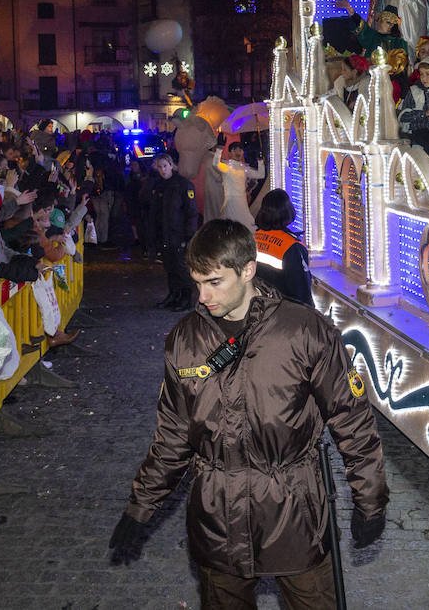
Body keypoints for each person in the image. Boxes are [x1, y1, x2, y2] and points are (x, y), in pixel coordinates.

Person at [109, 220, 389, 608]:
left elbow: (352, 422)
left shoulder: (305, 331)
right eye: (197, 283)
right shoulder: (185, 340)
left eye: (214, 282)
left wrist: (370, 501)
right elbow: (173, 437)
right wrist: (140, 508)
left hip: (294, 514)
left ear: (247, 270)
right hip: (217, 520)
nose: (203, 296)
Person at [142, 154, 199, 310]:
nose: (163, 170)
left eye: (165, 166)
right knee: (170, 267)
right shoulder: (158, 185)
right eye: (159, 167)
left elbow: (191, 212)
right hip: (164, 234)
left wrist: (189, 236)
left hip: (179, 234)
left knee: (181, 268)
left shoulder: (183, 184)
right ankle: (174, 295)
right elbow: (153, 213)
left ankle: (186, 298)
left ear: (171, 165)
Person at [254, 190, 313, 305]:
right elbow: (301, 291)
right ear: (288, 211)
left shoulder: (254, 237)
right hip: (282, 308)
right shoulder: (291, 247)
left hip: (258, 304)